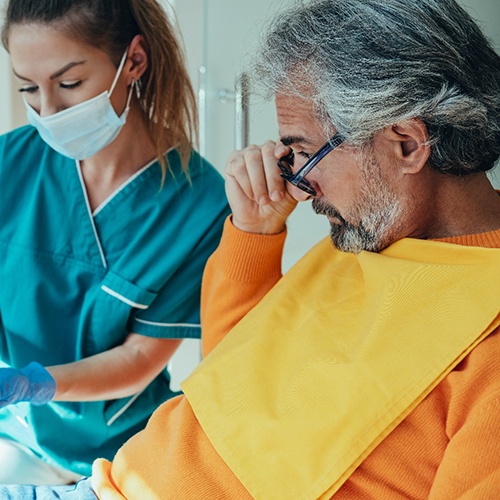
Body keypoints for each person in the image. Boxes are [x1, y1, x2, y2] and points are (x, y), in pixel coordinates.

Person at [2, 0, 500, 497]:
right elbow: (230, 377)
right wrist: (254, 235)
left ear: (407, 144)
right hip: (111, 480)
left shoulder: (482, 337)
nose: (300, 190)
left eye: (304, 154)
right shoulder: (372, 237)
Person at [0, 0, 229, 486]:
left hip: (121, 451)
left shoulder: (200, 203)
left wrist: (38, 383)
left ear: (134, 62)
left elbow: (139, 359)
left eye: (68, 84)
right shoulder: (10, 164)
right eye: (27, 88)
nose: (47, 110)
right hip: (17, 433)